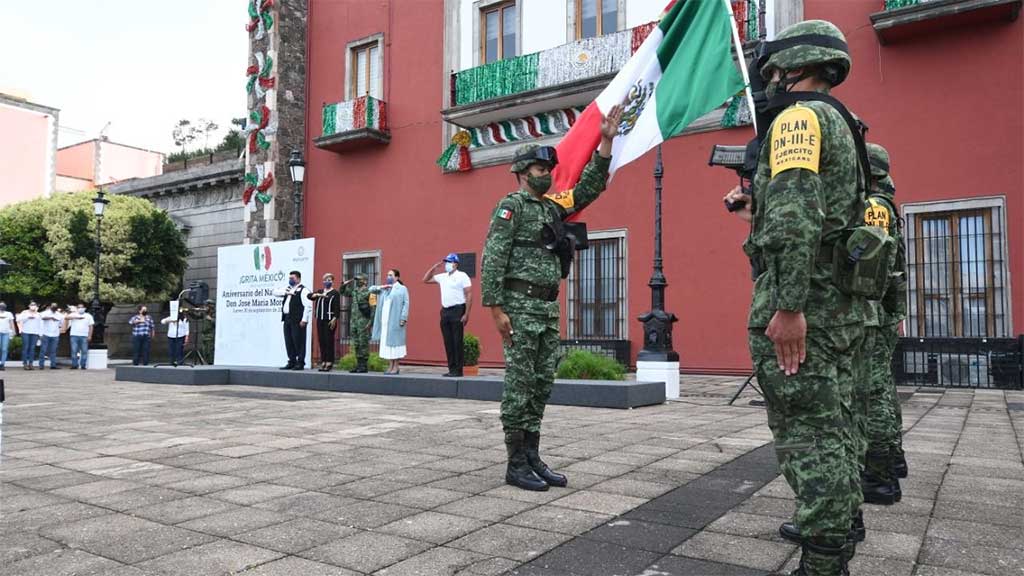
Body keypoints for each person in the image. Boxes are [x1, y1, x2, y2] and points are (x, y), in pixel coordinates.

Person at [723, 20, 868, 576]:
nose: (771, 82)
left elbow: (794, 219)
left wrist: (788, 307)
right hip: (842, 306)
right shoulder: (844, 122)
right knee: (837, 428)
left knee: (810, 440)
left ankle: (823, 563)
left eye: (774, 73)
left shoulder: (798, 119)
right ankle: (838, 537)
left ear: (793, 69)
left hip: (807, 307)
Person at [481, 104, 622, 492]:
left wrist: (605, 142)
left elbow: (589, 187)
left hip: (545, 308)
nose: (547, 176)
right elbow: (493, 256)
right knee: (520, 384)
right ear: (524, 173)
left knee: (542, 382)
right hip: (519, 309)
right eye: (541, 171)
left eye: (548, 171)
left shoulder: (551, 208)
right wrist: (495, 309)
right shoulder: (511, 207)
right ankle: (515, 462)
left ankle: (532, 456)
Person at [860, 143, 908, 498]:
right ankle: (892, 458)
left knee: (872, 392)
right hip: (883, 310)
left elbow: (869, 256)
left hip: (873, 313)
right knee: (883, 388)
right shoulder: (885, 203)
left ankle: (878, 475)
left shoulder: (874, 207)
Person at [423, 253, 473, 377]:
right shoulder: (443, 277)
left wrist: (466, 314)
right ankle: (451, 369)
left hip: (458, 309)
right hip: (445, 311)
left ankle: (458, 370)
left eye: (449, 262)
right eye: (446, 262)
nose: (447, 265)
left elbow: (469, 294)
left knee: (457, 341)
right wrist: (433, 268)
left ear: (455, 264)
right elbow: (425, 280)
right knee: (448, 341)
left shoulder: (462, 276)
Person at [370, 269, 409, 374]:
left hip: (395, 320)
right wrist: (382, 287)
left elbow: (406, 303)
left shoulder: (402, 289)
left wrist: (403, 318)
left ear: (397, 277)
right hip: (385, 321)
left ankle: (396, 366)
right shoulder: (384, 289)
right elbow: (371, 289)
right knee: (387, 345)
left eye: (391, 275)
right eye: (387, 275)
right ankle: (390, 365)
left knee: (395, 344)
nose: (388, 277)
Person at [273, 270, 312, 370]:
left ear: (298, 279)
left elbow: (308, 306)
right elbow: (275, 292)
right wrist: (286, 292)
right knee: (289, 341)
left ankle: (300, 362)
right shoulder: (288, 288)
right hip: (287, 318)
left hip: (297, 319)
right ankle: (292, 361)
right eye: (289, 278)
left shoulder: (303, 290)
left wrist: (304, 319)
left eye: (292, 278)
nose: (290, 280)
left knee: (298, 340)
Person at [308, 272, 342, 371]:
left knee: (329, 341)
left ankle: (329, 362)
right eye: (326, 280)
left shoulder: (335, 293)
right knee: (321, 340)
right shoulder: (320, 291)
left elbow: (337, 307)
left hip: (329, 320)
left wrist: (335, 318)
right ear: (323, 281)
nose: (328, 281)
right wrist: (317, 295)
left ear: (332, 281)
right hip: (320, 319)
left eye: (330, 280)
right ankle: (323, 361)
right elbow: (309, 296)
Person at [341, 274, 373, 373]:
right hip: (354, 321)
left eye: (359, 280)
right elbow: (342, 292)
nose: (357, 281)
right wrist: (345, 284)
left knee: (363, 343)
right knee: (356, 343)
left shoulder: (369, 292)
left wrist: (370, 322)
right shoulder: (354, 291)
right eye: (357, 280)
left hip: (363, 321)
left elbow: (373, 308)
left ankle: (364, 365)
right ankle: (359, 364)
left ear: (365, 281)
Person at [65, 303, 94, 370]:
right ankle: (74, 365)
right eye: (79, 307)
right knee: (74, 350)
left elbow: (91, 326)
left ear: (84, 308)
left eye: (82, 307)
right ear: (77, 308)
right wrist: (76, 317)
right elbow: (66, 317)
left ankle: (83, 365)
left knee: (84, 351)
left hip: (84, 336)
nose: (80, 309)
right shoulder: (74, 314)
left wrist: (90, 336)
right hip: (74, 335)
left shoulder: (88, 316)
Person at [38, 303, 64, 370]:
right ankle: (41, 365)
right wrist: (51, 317)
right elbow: (42, 318)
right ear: (50, 307)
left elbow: (61, 324)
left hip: (55, 334)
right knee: (43, 350)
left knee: (53, 350)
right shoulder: (45, 313)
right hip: (45, 334)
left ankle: (53, 365)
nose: (54, 307)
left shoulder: (60, 315)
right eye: (53, 306)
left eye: (55, 306)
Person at [17, 302, 42, 370]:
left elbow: (41, 324)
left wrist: (40, 334)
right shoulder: (24, 313)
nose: (33, 306)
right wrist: (27, 318)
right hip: (25, 332)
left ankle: (31, 364)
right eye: (31, 305)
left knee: (32, 349)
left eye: (34, 305)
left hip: (35, 333)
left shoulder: (39, 314)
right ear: (29, 306)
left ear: (36, 306)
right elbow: (18, 320)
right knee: (25, 348)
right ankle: (25, 364)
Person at [0, 301, 14, 370]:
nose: (2, 306)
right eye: (1, 305)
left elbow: (12, 324)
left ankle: (2, 364)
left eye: (3, 305)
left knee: (4, 349)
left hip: (6, 333)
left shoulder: (9, 314)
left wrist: (13, 332)